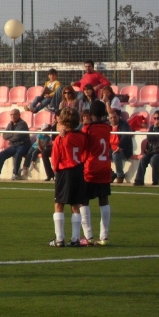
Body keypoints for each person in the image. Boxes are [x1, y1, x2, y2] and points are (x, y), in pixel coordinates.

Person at [49, 108, 86, 247]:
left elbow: (55, 159)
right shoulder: (82, 136)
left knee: (59, 204)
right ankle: (75, 239)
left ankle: (59, 239)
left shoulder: (61, 138)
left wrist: (55, 171)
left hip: (65, 172)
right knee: (75, 205)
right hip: (78, 171)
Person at [79, 100, 113, 247]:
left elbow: (82, 145)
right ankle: (104, 237)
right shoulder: (107, 128)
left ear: (90, 113)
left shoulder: (88, 129)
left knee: (84, 200)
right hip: (105, 166)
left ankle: (88, 237)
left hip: (91, 168)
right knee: (103, 199)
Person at [0, 109, 31, 181]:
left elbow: (18, 136)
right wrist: (13, 135)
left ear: (19, 115)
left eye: (14, 114)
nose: (12, 116)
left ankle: (15, 174)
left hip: (23, 145)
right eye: (11, 114)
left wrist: (10, 136)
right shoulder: (10, 124)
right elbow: (5, 135)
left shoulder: (22, 124)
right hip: (14, 145)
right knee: (1, 154)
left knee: (18, 154)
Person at [133, 110, 159, 186]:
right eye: (155, 118)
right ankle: (139, 180)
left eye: (158, 118)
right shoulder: (152, 127)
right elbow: (149, 137)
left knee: (154, 159)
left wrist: (157, 130)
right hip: (152, 150)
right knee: (143, 160)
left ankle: (156, 180)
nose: (156, 120)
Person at [108, 108, 133, 183]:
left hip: (123, 148)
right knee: (101, 156)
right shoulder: (107, 125)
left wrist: (120, 146)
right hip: (111, 148)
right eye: (111, 118)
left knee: (116, 155)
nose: (113, 119)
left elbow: (125, 137)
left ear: (118, 116)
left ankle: (120, 175)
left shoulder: (124, 125)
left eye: (114, 117)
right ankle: (111, 174)